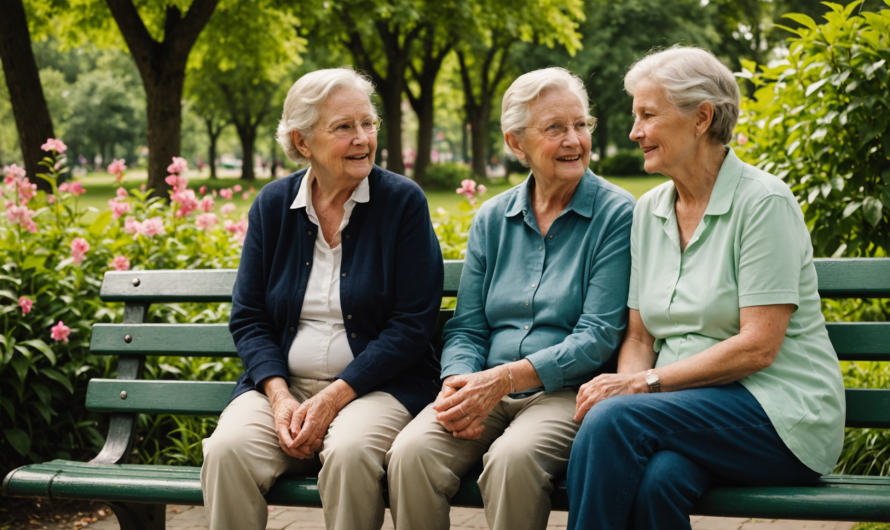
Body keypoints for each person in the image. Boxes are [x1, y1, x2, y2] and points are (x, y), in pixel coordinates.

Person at [567, 46, 846, 530]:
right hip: (685, 411)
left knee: (612, 421)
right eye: (635, 116)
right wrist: (630, 391)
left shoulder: (763, 203)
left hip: (780, 413)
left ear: (702, 118)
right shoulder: (649, 211)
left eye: (648, 115)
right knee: (657, 480)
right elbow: (639, 337)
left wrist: (638, 388)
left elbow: (758, 347)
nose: (634, 132)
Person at [386, 67, 636, 530]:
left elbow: (599, 335)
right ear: (516, 144)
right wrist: (459, 385)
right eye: (555, 128)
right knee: (410, 454)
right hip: (486, 385)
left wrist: (502, 380)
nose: (574, 140)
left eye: (580, 125)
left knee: (512, 461)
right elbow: (467, 326)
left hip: (566, 392)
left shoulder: (617, 214)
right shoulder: (492, 217)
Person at [200, 68, 444, 530]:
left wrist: (334, 397)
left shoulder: (402, 202)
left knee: (350, 453)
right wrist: (278, 396)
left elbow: (412, 324)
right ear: (303, 141)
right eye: (344, 127)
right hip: (282, 388)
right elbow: (249, 317)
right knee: (226, 451)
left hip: (378, 388)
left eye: (368, 123)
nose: (363, 138)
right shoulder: (273, 205)